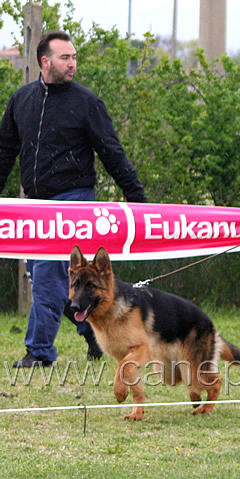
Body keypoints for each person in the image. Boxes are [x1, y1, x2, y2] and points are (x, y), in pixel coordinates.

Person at [0, 30, 147, 367]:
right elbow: (5, 152)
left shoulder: (86, 102)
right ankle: (91, 336)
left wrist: (137, 198)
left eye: (75, 57)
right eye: (66, 58)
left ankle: (39, 353)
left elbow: (111, 152)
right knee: (44, 278)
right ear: (45, 61)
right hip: (34, 205)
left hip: (73, 202)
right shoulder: (21, 100)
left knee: (49, 281)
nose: (73, 64)